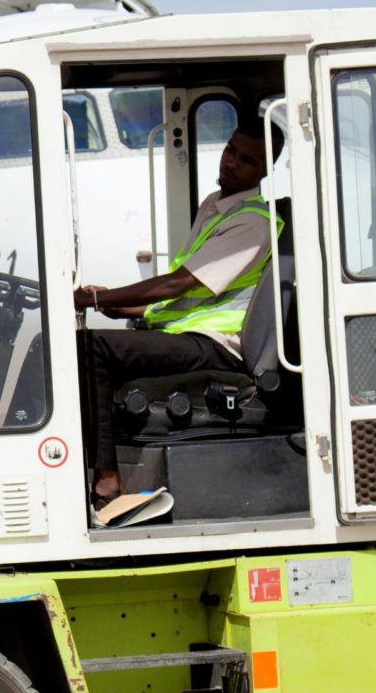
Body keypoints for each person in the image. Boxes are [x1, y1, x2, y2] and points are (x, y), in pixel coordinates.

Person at [71, 119, 282, 507]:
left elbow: (177, 284)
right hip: (188, 334)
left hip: (219, 346)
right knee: (85, 348)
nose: (232, 163)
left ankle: (107, 481)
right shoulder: (213, 206)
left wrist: (98, 302)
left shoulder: (253, 222)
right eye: (231, 150)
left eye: (247, 160)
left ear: (265, 171)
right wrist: (116, 305)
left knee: (94, 348)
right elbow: (178, 296)